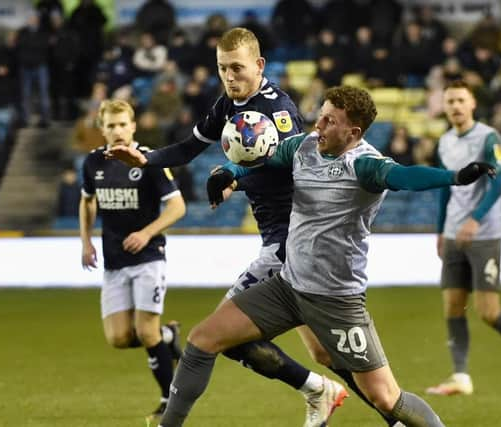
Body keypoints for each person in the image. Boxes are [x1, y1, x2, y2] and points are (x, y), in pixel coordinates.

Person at [158, 85, 495, 427]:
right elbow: (263, 159)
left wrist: (454, 177)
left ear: (353, 132)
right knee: (203, 339)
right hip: (287, 288)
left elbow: (406, 176)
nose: (318, 125)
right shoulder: (303, 146)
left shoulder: (364, 165)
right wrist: (230, 173)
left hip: (335, 301)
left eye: (329, 121)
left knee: (386, 397)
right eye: (320, 115)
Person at [106, 27, 373, 427]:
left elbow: (284, 170)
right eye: (222, 69)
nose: (229, 77)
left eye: (237, 68)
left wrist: (235, 179)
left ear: (259, 65)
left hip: (287, 242)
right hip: (278, 239)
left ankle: (319, 391)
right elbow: (188, 148)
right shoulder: (228, 104)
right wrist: (147, 160)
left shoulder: (279, 111)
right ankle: (356, 401)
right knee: (323, 353)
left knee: (216, 336)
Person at [426, 80, 501, 396]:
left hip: (484, 235)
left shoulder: (488, 137)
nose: (454, 106)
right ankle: (460, 376)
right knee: (453, 306)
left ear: (472, 105)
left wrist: (475, 218)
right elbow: (444, 187)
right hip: (454, 233)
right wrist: (441, 229)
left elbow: (497, 183)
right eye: (450, 100)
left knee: (488, 312)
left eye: (460, 100)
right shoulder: (443, 142)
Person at [79, 99, 186, 421]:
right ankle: (169, 338)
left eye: (123, 124)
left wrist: (146, 233)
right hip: (114, 261)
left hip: (148, 257)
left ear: (133, 126)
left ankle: (169, 400)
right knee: (119, 338)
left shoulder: (148, 161)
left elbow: (177, 207)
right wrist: (85, 241)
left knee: (145, 332)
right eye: (111, 125)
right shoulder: (92, 163)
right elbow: (87, 202)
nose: (118, 130)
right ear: (102, 130)